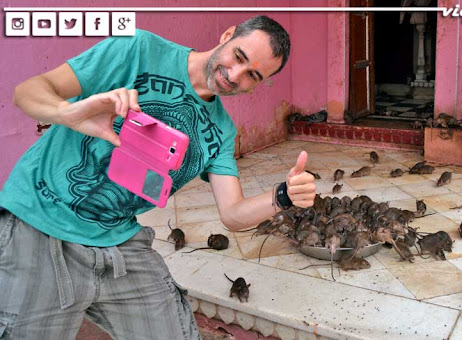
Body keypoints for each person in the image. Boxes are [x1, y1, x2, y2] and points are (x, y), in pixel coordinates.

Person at [0, 15, 316, 340]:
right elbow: (28, 91)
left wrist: (284, 196)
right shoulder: (138, 48)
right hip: (39, 222)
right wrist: (67, 113)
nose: (234, 75)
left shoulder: (222, 131)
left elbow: (233, 213)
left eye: (252, 75)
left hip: (118, 239)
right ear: (227, 34)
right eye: (238, 57)